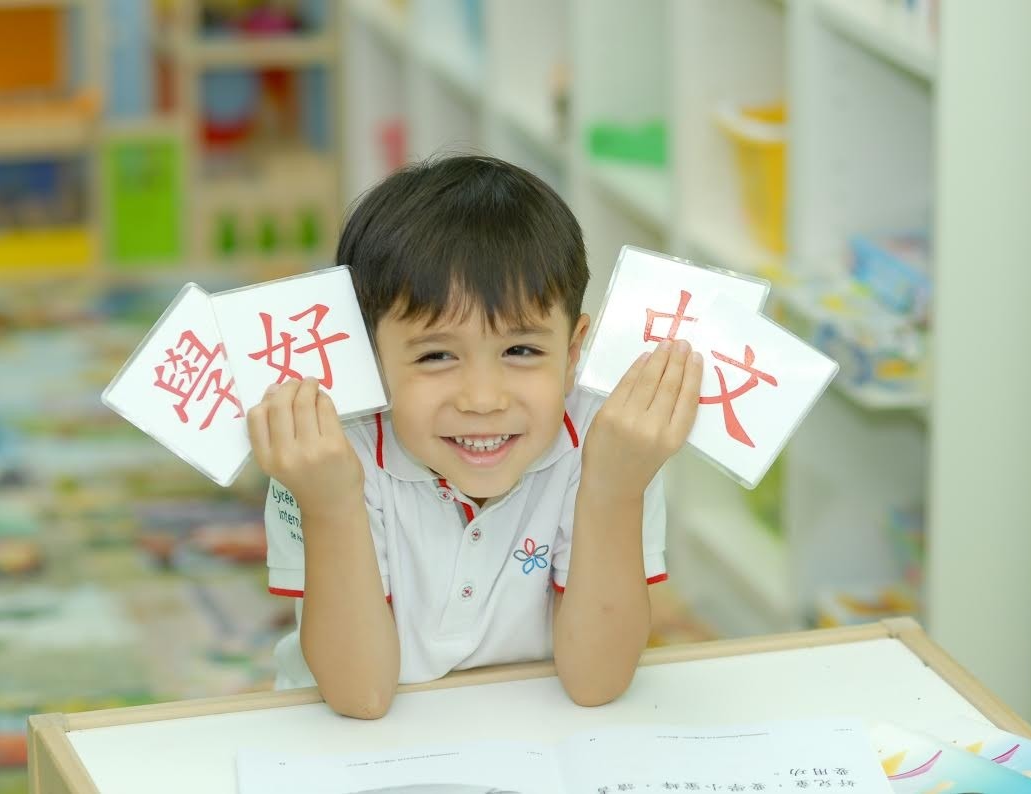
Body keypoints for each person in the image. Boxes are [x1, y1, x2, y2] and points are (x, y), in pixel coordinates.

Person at [249, 155, 702, 719]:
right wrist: (329, 504)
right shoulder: (326, 454)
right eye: (436, 356)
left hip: (529, 734)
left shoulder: (611, 441)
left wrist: (615, 488)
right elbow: (360, 697)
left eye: (521, 350)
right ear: (367, 357)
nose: (482, 399)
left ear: (572, 353)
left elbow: (597, 681)